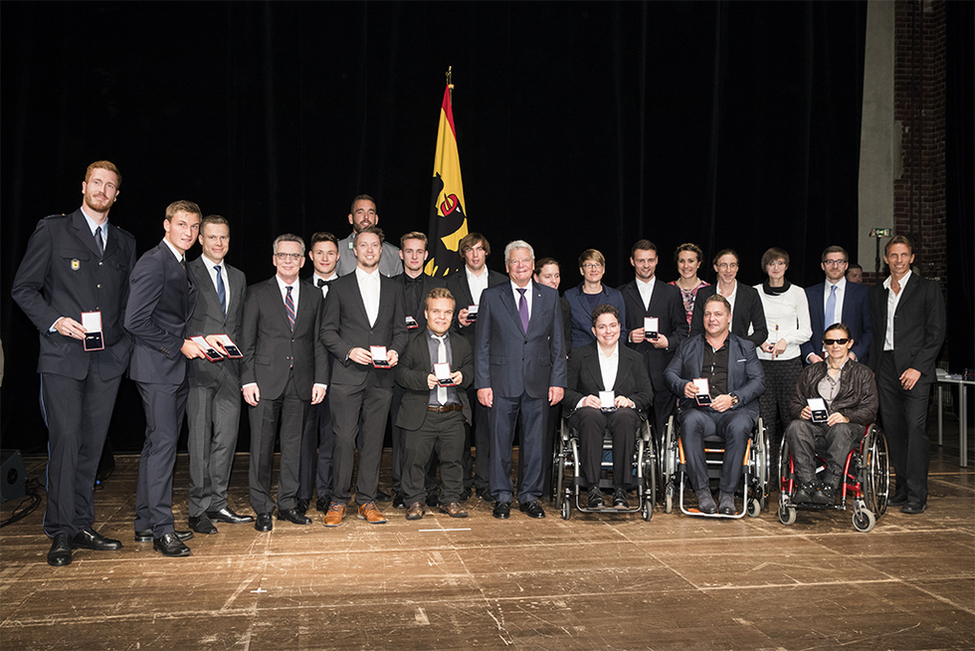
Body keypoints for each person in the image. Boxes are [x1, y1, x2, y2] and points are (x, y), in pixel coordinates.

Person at [11, 161, 136, 566]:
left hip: (107, 360)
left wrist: (127, 347)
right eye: (96, 182)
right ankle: (61, 530)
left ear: (117, 195)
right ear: (84, 186)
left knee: (91, 446)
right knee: (65, 442)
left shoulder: (124, 242)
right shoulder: (53, 230)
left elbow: (129, 302)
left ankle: (82, 523)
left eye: (109, 186)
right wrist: (53, 321)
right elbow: (24, 288)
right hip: (63, 357)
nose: (102, 190)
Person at [125, 200, 206, 557]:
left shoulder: (179, 262)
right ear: (166, 225)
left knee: (156, 445)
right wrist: (179, 345)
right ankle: (162, 529)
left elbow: (174, 318)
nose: (188, 232)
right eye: (182, 225)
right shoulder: (154, 261)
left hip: (171, 368)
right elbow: (135, 321)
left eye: (193, 227)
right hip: (158, 369)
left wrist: (195, 342)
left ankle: (145, 522)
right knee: (163, 447)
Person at [320, 226, 408, 526]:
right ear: (353, 250)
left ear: (381, 251)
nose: (369, 250)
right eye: (363, 245)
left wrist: (396, 350)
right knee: (344, 439)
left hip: (381, 378)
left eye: (374, 245)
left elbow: (400, 331)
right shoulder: (338, 288)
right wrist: (348, 351)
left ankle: (367, 500)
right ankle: (338, 500)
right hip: (347, 376)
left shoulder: (395, 289)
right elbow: (327, 332)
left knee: (373, 440)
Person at [241, 234, 328, 532]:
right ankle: (262, 507)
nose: (288, 260)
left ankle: (287, 504)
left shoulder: (314, 296)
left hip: (301, 383)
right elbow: (247, 343)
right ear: (274, 259)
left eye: (294, 256)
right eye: (283, 255)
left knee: (294, 448)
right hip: (264, 382)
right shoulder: (256, 293)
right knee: (261, 448)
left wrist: (321, 380)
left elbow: (318, 342)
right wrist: (247, 379)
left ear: (304, 261)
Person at [474, 240, 566, 520]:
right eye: (515, 261)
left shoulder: (549, 297)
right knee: (500, 442)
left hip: (539, 381)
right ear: (507, 266)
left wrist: (558, 381)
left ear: (533, 264)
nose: (521, 265)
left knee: (534, 443)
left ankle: (529, 495)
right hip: (501, 382)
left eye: (526, 260)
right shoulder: (491, 296)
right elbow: (482, 344)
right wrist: (483, 383)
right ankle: (501, 495)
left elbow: (558, 345)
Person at [664, 294, 765, 515]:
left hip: (734, 411)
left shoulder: (745, 347)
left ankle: (728, 494)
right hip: (700, 411)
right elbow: (670, 373)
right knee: (689, 421)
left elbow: (758, 382)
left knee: (740, 427)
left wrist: (734, 398)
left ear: (728, 317)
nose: (712, 319)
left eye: (718, 314)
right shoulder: (688, 345)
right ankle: (702, 492)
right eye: (708, 314)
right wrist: (683, 386)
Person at [185, 215, 254, 534]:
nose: (218, 243)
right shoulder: (186, 271)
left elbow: (239, 325)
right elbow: (179, 318)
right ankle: (197, 508)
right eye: (212, 237)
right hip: (198, 369)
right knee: (199, 442)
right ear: (200, 238)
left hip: (230, 371)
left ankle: (217, 502)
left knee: (226, 441)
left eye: (223, 238)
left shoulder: (239, 276)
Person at [868, 236, 945, 514]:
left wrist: (918, 367)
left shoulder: (927, 289)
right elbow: (877, 334)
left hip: (915, 369)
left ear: (912, 258)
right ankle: (901, 490)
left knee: (914, 430)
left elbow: (936, 333)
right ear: (886, 259)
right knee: (894, 431)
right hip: (885, 368)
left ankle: (917, 495)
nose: (899, 260)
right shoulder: (879, 292)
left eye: (904, 255)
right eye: (893, 255)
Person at [395, 288, 473, 520]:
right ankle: (415, 501)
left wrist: (463, 376)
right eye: (436, 311)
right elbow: (399, 373)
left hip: (452, 413)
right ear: (426, 314)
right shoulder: (411, 342)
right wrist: (422, 379)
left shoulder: (462, 343)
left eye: (447, 312)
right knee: (415, 462)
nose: (442, 317)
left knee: (453, 461)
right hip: (422, 412)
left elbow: (471, 369)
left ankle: (450, 500)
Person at [564, 305, 652, 509]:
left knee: (625, 417)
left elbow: (647, 395)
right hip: (589, 415)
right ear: (593, 331)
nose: (608, 331)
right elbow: (566, 392)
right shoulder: (578, 356)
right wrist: (583, 400)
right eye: (602, 327)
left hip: (622, 414)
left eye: (612, 325)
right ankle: (593, 487)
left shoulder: (635, 358)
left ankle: (621, 489)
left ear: (620, 327)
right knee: (591, 416)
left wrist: (630, 402)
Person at [785, 323, 878, 505]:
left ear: (849, 343)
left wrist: (847, 417)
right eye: (830, 341)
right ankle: (807, 484)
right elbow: (795, 402)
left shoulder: (863, 373)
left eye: (841, 341)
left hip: (848, 430)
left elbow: (870, 409)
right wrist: (800, 411)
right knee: (795, 426)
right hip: (816, 427)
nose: (835, 345)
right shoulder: (809, 372)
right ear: (824, 344)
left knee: (840, 429)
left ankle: (829, 486)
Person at [445, 232, 507, 500]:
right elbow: (439, 320)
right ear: (463, 254)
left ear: (486, 252)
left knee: (487, 427)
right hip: (461, 361)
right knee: (460, 425)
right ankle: (459, 483)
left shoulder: (502, 282)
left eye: (479, 249)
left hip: (493, 364)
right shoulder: (450, 282)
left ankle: (484, 482)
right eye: (469, 250)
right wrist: (457, 320)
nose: (474, 254)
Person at [390, 232, 446, 508]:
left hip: (429, 369)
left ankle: (428, 488)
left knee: (430, 431)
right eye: (409, 251)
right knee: (402, 431)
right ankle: (401, 488)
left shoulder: (440, 285)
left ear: (426, 255)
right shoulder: (387, 286)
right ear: (401, 254)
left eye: (419, 251)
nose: (414, 256)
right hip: (396, 367)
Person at [619, 240, 687, 440]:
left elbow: (683, 329)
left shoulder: (672, 292)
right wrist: (630, 335)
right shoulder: (621, 293)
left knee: (664, 433)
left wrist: (668, 342)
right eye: (641, 260)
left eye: (650, 260)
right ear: (632, 261)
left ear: (657, 261)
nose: (646, 265)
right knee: (629, 429)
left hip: (664, 371)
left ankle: (662, 471)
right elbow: (614, 331)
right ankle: (633, 470)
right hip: (631, 373)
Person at [754, 247, 812, 468]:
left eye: (780, 263)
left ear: (786, 266)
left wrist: (785, 341)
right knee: (765, 419)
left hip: (790, 363)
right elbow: (750, 325)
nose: (776, 268)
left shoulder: (798, 293)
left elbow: (806, 330)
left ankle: (793, 472)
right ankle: (766, 473)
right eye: (771, 263)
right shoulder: (755, 292)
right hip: (762, 361)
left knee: (792, 418)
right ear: (765, 267)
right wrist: (760, 341)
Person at [297, 231, 341, 515]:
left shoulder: (351, 289)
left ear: (338, 256)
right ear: (310, 257)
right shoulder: (297, 288)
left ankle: (326, 493)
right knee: (303, 438)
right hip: (303, 378)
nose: (325, 258)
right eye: (319, 253)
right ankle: (301, 494)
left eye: (330, 253)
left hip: (339, 378)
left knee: (332, 438)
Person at [534, 256, 572, 499]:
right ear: (536, 277)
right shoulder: (526, 301)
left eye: (556, 276)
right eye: (548, 276)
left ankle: (544, 488)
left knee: (546, 436)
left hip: (551, 377)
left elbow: (566, 340)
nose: (554, 281)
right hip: (526, 376)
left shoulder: (563, 305)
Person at [801, 246, 872, 366]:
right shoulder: (807, 294)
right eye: (830, 262)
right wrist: (810, 355)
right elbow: (801, 329)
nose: (835, 266)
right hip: (817, 361)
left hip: (851, 361)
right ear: (822, 266)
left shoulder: (863, 293)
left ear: (846, 265)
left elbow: (870, 330)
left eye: (839, 262)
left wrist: (854, 354)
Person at [689, 248, 767, 349]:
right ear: (716, 268)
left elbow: (761, 331)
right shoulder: (703, 294)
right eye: (723, 265)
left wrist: (742, 345)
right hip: (708, 352)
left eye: (732, 265)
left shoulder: (750, 294)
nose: (728, 270)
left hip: (740, 354)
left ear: (737, 268)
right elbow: (696, 330)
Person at [562, 249, 627, 351]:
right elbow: (564, 332)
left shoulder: (616, 296)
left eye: (597, 265)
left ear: (603, 269)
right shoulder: (569, 296)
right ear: (581, 270)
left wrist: (611, 350)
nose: (593, 269)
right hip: (579, 357)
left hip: (608, 355)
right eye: (588, 265)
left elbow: (622, 330)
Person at [335, 194, 403, 277]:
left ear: (376, 219)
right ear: (351, 218)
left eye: (371, 213)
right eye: (360, 212)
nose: (366, 217)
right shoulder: (337, 250)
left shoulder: (393, 254)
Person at [669, 243, 710, 328]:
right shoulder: (668, 289)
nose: (686, 266)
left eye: (690, 261)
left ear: (699, 264)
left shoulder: (708, 290)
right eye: (681, 261)